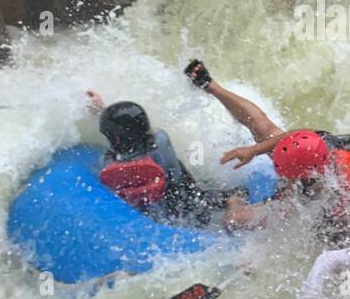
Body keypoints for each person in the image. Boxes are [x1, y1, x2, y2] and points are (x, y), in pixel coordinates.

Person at [184, 60, 350, 244]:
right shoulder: (304, 154)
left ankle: (235, 200)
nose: (280, 176)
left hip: (323, 185)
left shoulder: (347, 191)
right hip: (314, 161)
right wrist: (255, 150)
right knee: (234, 219)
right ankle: (210, 85)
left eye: (284, 174)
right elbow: (273, 127)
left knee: (237, 219)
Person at [86, 92, 245, 227]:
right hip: (179, 188)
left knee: (197, 204)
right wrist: (103, 111)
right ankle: (231, 197)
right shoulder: (159, 139)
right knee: (195, 198)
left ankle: (234, 201)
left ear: (115, 139)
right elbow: (130, 130)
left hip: (175, 194)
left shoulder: (108, 161)